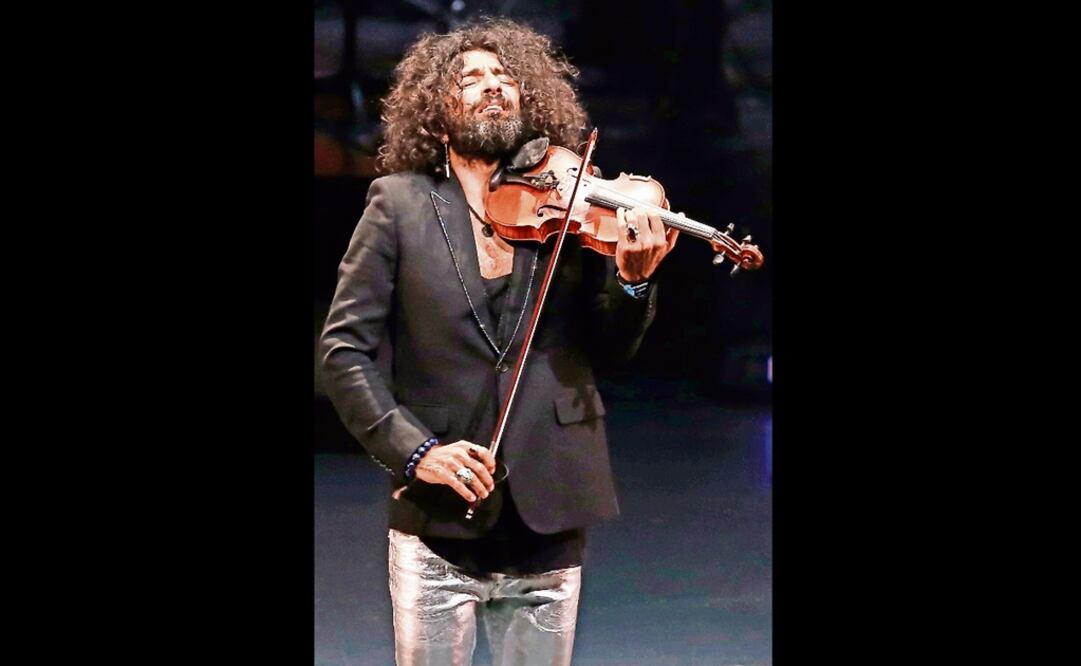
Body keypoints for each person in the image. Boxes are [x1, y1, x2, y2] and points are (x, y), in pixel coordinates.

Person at [319, 17, 678, 666]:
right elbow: (341, 353)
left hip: (551, 512)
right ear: (436, 114)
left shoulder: (569, 206)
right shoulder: (397, 203)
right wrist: (413, 451)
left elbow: (609, 352)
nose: (492, 87)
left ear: (527, 98)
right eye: (470, 79)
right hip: (437, 518)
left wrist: (631, 282)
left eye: (504, 77)